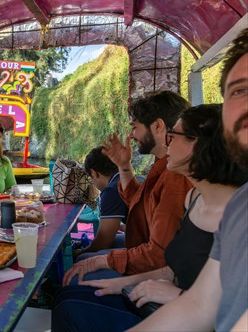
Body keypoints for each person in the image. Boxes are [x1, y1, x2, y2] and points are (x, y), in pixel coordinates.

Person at [52, 104, 248, 331]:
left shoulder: (232, 213)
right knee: (68, 298)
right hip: (163, 293)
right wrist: (122, 283)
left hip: (176, 307)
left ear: (201, 144)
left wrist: (178, 295)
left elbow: (202, 301)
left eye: (173, 136)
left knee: (70, 307)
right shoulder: (193, 197)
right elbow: (142, 209)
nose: (167, 142)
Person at [130, 29, 248, 332]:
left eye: (174, 136)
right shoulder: (240, 209)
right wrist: (123, 167)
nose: (168, 144)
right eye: (238, 91)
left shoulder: (182, 184)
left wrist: (108, 264)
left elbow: (158, 252)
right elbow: (201, 304)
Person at [63, 91, 192, 285]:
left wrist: (104, 260)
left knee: (77, 275)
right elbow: (139, 202)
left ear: (158, 126)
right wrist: (124, 166)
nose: (131, 135)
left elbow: (158, 255)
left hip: (158, 274)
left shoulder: (175, 176)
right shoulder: (161, 165)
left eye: (135, 127)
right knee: (85, 261)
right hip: (145, 250)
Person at [74, 147, 128, 258]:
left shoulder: (111, 191)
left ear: (94, 173)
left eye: (91, 178)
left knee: (82, 259)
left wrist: (81, 252)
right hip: (163, 240)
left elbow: (103, 242)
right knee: (114, 239)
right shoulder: (131, 178)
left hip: (153, 249)